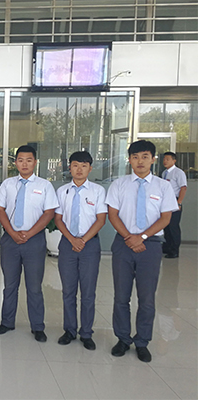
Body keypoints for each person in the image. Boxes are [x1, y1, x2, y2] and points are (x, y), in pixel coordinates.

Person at [106, 140, 177, 362]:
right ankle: (123, 338)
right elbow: (112, 215)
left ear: (153, 159)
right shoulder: (119, 184)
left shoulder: (163, 186)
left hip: (151, 245)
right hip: (123, 243)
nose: (140, 161)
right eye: (135, 157)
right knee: (121, 296)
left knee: (146, 298)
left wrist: (142, 237)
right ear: (129, 160)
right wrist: (130, 238)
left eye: (145, 157)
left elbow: (165, 218)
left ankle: (142, 341)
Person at [0, 145, 58, 342]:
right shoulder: (8, 184)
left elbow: (49, 213)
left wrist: (29, 233)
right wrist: (12, 233)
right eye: (20, 160)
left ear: (35, 162)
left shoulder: (44, 186)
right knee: (10, 285)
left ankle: (37, 326)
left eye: (29, 160)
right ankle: (7, 322)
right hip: (10, 240)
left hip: (34, 241)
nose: (24, 164)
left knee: (34, 286)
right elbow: (0, 209)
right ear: (16, 163)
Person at [54, 151, 107, 350]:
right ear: (70, 167)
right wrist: (72, 239)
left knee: (88, 291)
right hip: (67, 244)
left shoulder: (98, 191)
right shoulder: (62, 191)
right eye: (75, 165)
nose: (79, 169)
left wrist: (83, 240)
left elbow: (101, 219)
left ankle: (86, 333)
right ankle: (69, 330)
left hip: (89, 245)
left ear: (90, 168)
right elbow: (58, 219)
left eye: (84, 166)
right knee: (68, 290)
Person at [161, 151, 187, 258]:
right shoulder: (164, 173)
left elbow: (183, 188)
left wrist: (179, 202)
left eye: (167, 159)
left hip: (175, 201)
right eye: (164, 159)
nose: (165, 161)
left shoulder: (178, 172)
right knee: (166, 226)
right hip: (165, 201)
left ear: (174, 160)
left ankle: (174, 250)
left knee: (173, 226)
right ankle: (167, 247)